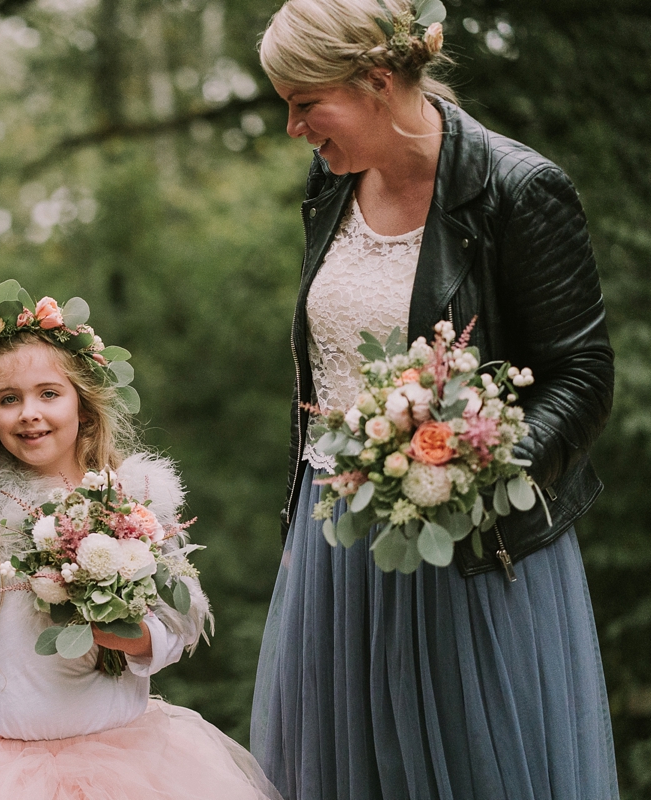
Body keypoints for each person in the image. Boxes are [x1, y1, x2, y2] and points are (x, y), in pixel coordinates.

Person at [248, 1, 619, 798]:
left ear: (378, 81)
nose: (295, 129)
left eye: (305, 103)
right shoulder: (330, 181)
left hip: (471, 543)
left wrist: (476, 469)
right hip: (332, 540)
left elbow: (583, 374)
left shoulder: (518, 189)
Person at [0, 288, 282, 800]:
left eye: (48, 393)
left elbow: (180, 619)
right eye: (8, 399)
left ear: (83, 405)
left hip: (121, 764)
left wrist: (130, 636)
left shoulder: (132, 504)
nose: (29, 413)